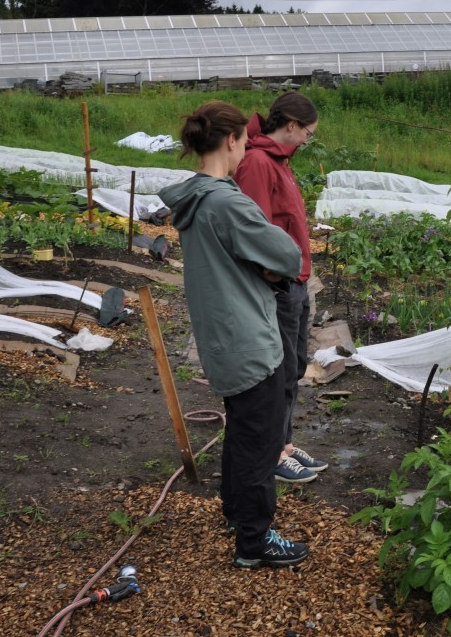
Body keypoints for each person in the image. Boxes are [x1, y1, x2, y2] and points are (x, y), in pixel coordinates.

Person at [157, 100, 309, 568]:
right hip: (249, 339)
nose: (247, 150)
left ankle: (235, 513)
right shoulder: (227, 201)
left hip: (222, 335)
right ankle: (255, 542)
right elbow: (287, 255)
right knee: (260, 444)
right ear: (230, 141)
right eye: (244, 141)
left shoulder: (195, 198)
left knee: (242, 433)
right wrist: (265, 269)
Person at [233, 91, 329, 484]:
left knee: (292, 369)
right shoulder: (258, 162)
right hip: (280, 285)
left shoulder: (280, 160)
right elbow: (254, 227)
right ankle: (272, 450)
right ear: (291, 125)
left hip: (296, 281)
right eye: (308, 131)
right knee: (277, 372)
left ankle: (284, 444)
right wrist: (274, 275)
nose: (308, 139)